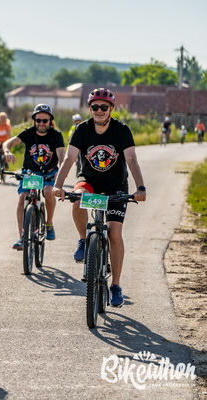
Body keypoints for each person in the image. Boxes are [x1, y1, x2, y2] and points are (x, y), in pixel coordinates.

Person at [52, 88, 147, 308]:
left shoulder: (122, 130)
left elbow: (132, 160)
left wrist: (140, 187)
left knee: (114, 233)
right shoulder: (82, 129)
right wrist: (58, 185)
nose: (99, 111)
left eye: (104, 107)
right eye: (95, 107)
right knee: (78, 198)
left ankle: (116, 286)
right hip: (89, 181)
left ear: (111, 109)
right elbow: (69, 159)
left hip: (116, 186)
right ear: (90, 108)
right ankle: (83, 240)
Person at [3, 104, 65, 250]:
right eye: (38, 120)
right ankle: (22, 238)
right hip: (30, 173)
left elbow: (62, 154)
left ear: (50, 121)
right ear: (34, 120)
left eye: (45, 120)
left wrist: (61, 170)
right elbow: (8, 142)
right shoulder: (28, 133)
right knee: (22, 198)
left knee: (48, 192)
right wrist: (7, 151)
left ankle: (49, 223)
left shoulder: (56, 135)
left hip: (49, 172)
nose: (41, 123)